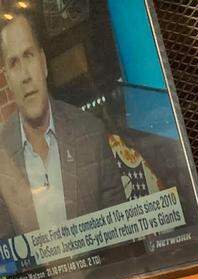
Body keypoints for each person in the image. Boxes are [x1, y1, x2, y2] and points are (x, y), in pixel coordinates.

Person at [0, 12, 123, 234]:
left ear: (44, 63)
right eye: (14, 63)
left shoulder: (91, 133)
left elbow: (124, 239)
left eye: (29, 55)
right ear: (7, 79)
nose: (26, 75)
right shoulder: (1, 154)